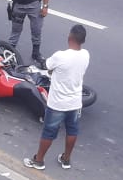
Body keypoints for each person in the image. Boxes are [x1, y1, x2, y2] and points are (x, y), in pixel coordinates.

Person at [22, 24, 89, 171]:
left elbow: (47, 66)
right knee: (72, 131)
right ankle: (66, 159)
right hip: (75, 103)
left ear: (69, 37)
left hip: (58, 103)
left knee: (49, 132)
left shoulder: (60, 55)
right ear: (82, 40)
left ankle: (39, 160)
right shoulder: (86, 55)